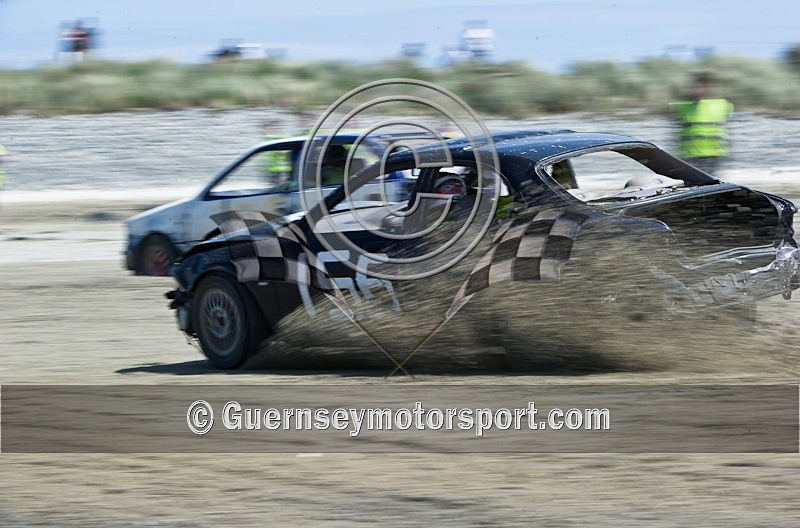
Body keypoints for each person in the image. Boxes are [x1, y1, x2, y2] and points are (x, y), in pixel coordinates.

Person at [669, 72, 734, 175]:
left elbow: (730, 131)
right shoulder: (680, 106)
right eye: (696, 87)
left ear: (710, 88)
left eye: (703, 87)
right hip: (688, 156)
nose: (699, 90)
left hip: (714, 155)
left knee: (711, 182)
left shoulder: (723, 105)